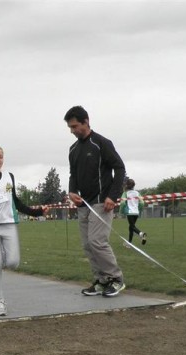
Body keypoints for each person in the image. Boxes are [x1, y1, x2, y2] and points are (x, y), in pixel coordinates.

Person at [0, 144, 49, 316]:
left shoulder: (9, 177)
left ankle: (1, 255)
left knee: (12, 263)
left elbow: (17, 203)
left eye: (1, 156)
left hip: (10, 224)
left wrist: (38, 211)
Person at [64, 105, 126, 297]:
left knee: (97, 241)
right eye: (70, 128)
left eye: (75, 127)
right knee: (87, 244)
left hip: (101, 202)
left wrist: (113, 196)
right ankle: (101, 280)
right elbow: (73, 174)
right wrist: (72, 192)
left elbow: (120, 169)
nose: (73, 131)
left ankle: (116, 279)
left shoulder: (102, 143)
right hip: (84, 204)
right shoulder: (73, 149)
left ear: (86, 122)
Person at [120, 179, 147, 245]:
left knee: (132, 227)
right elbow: (142, 203)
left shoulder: (125, 193)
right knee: (131, 227)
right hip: (136, 212)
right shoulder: (137, 193)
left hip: (130, 212)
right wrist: (138, 209)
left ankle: (141, 234)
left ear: (126, 185)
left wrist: (121, 211)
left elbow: (123, 203)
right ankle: (129, 243)